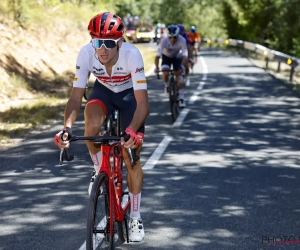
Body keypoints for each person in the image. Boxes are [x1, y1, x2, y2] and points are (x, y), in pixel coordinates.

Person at [53, 12, 149, 242]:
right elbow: (75, 98)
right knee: (92, 122)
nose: (102, 49)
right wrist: (65, 128)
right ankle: (99, 169)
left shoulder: (131, 55)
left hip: (129, 96)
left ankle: (135, 216)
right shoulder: (87, 54)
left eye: (108, 43)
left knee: (131, 157)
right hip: (104, 91)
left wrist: (133, 129)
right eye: (97, 42)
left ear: (119, 41)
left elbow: (143, 102)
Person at [154, 24, 188, 108]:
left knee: (178, 75)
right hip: (166, 57)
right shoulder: (164, 41)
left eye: (175, 37)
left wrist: (182, 67)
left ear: (178, 36)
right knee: (165, 73)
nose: (172, 39)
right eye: (170, 37)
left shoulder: (182, 40)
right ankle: (167, 85)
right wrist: (157, 67)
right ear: (167, 36)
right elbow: (158, 56)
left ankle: (181, 98)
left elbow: (185, 56)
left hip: (177, 56)